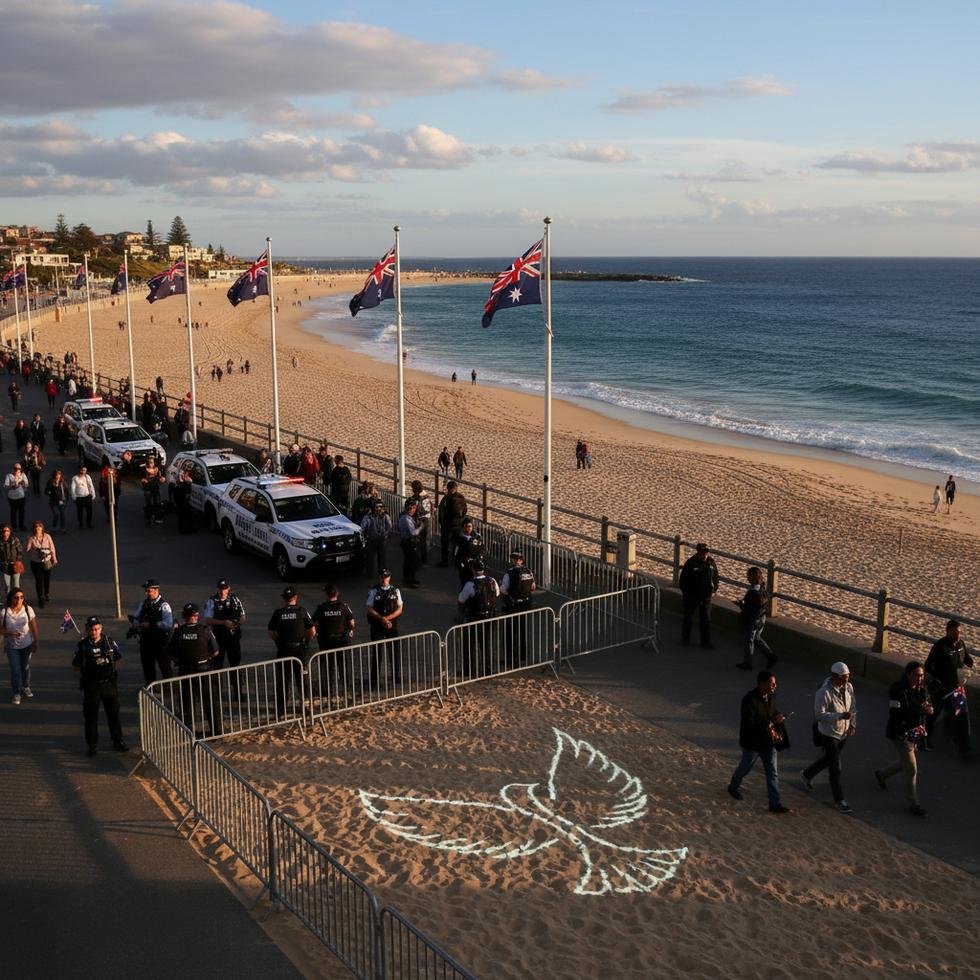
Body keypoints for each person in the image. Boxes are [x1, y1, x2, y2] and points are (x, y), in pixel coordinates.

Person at [726, 670, 790, 813]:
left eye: (775, 684)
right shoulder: (749, 700)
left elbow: (772, 711)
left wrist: (778, 716)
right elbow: (750, 723)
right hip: (752, 742)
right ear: (762, 684)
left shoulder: (771, 696)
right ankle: (733, 787)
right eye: (772, 684)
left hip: (768, 741)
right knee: (745, 767)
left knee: (772, 772)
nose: (774, 687)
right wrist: (772, 720)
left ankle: (775, 804)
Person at [874, 661, 933, 817]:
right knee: (912, 768)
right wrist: (901, 732)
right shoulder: (897, 689)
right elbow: (895, 713)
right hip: (901, 734)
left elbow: (927, 703)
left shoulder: (922, 689)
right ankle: (914, 803)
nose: (920, 679)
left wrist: (929, 709)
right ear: (908, 674)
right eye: (917, 675)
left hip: (915, 733)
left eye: (922, 675)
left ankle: (882, 774)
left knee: (905, 763)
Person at [801, 662, 857, 813]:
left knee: (830, 759)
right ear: (835, 677)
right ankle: (839, 800)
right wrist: (839, 716)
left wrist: (852, 724)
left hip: (843, 732)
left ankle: (807, 775)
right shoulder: (824, 692)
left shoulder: (849, 687)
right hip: (828, 733)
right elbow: (819, 714)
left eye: (848, 677)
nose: (847, 680)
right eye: (844, 678)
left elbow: (852, 707)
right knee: (835, 767)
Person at [73, 615, 128, 756]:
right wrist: (90, 665)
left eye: (97, 629)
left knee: (113, 714)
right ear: (87, 630)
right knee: (91, 717)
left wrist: (107, 661)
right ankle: (92, 745)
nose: (94, 632)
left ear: (101, 628)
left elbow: (118, 657)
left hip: (108, 683)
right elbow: (76, 666)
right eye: (92, 629)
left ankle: (118, 740)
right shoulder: (83, 645)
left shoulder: (108, 642)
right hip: (91, 685)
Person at [167, 603, 221, 737]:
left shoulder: (179, 632)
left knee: (187, 703)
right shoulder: (205, 630)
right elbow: (215, 651)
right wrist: (205, 657)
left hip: (185, 672)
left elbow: (170, 652)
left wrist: (180, 660)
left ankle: (190, 732)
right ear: (196, 616)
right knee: (209, 702)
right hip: (203, 670)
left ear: (184, 617)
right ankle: (215, 730)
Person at [924, 619, 974, 758]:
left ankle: (965, 749)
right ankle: (925, 737)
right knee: (935, 713)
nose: (957, 635)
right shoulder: (940, 647)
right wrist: (935, 682)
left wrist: (969, 662)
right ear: (947, 632)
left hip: (956, 687)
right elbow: (928, 667)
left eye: (959, 632)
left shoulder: (961, 644)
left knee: (962, 715)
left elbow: (965, 658)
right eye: (954, 632)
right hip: (941, 688)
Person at [267, 586, 315, 709]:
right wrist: (306, 641)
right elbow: (312, 631)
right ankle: (305, 705)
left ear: (284, 598)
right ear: (295, 597)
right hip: (299, 650)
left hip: (283, 650)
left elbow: (270, 632)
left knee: (283, 680)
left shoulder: (278, 613)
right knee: (302, 679)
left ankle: (281, 707)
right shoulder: (301, 611)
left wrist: (278, 641)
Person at [311, 584, 356, 698]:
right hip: (342, 641)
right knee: (343, 666)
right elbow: (351, 623)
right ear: (337, 594)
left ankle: (328, 692)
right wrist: (350, 630)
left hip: (326, 642)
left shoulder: (321, 608)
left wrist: (316, 632)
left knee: (327, 667)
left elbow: (313, 623)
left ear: (326, 594)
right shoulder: (344, 606)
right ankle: (346, 690)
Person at [457, 560, 500, 675]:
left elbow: (461, 599)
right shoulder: (492, 581)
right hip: (489, 616)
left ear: (473, 570)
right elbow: (497, 594)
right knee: (485, 643)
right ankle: (487, 668)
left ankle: (470, 670)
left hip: (474, 617)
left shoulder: (470, 584)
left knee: (469, 643)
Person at [131, 578, 174, 685]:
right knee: (147, 666)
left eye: (149, 590)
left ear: (156, 590)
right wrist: (136, 623)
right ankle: (151, 688)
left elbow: (168, 624)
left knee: (164, 666)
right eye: (146, 590)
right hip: (146, 641)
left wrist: (152, 624)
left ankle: (169, 687)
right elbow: (135, 617)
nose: (146, 593)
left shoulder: (164, 606)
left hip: (160, 641)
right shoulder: (144, 604)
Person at [365, 569, 403, 688]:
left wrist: (388, 618)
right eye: (382, 577)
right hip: (377, 625)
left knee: (394, 652)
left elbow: (400, 608)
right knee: (377, 652)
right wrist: (382, 619)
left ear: (389, 577)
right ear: (379, 578)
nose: (384, 579)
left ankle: (396, 678)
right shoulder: (373, 591)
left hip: (391, 625)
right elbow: (369, 609)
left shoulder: (395, 590)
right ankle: (374, 681)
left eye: (386, 577)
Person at [734, 566, 776, 670]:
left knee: (749, 640)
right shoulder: (762, 586)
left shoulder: (752, 591)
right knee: (756, 638)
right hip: (762, 617)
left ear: (751, 577)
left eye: (748, 576)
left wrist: (740, 604)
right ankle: (771, 656)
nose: (747, 577)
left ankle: (748, 663)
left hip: (753, 619)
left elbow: (749, 609)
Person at [3, 587, 39, 705]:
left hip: (27, 645)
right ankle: (16, 693)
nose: (19, 600)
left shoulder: (28, 610)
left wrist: (36, 641)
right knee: (15, 670)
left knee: (25, 667)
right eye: (16, 597)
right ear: (11, 598)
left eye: (22, 597)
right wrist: (9, 633)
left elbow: (34, 626)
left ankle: (26, 686)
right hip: (11, 646)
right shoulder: (4, 612)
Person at [679, 543, 719, 649]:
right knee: (688, 617)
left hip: (706, 597)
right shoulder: (691, 563)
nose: (705, 555)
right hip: (692, 596)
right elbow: (683, 581)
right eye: (702, 553)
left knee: (706, 619)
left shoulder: (711, 562)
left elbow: (715, 577)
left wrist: (714, 590)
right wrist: (687, 594)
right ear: (698, 552)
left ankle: (705, 641)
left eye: (706, 552)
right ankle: (685, 639)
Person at [202, 578, 246, 671]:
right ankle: (217, 685)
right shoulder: (212, 601)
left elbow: (243, 617)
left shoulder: (235, 599)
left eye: (224, 588)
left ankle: (236, 684)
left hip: (233, 637)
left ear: (228, 588)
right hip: (219, 637)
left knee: (235, 664)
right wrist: (224, 622)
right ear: (218, 589)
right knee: (217, 665)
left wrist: (235, 624)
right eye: (220, 588)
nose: (222, 591)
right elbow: (207, 620)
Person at [500, 550, 536, 666]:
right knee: (522, 630)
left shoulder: (509, 573)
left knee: (511, 633)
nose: (515, 561)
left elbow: (503, 590)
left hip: (514, 605)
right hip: (525, 604)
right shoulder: (528, 571)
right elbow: (533, 587)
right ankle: (523, 655)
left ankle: (513, 660)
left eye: (515, 559)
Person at [25, 520, 57, 608]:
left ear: (42, 529)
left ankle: (46, 593)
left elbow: (52, 548)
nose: (37, 529)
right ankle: (40, 598)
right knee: (39, 580)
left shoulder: (47, 536)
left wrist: (54, 558)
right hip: (36, 562)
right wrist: (31, 547)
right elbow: (27, 550)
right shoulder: (31, 538)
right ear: (34, 529)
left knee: (47, 579)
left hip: (47, 561)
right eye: (36, 528)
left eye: (39, 527)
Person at [437, 480, 467, 567]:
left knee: (445, 543)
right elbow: (465, 510)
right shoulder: (461, 497)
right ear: (456, 488)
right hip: (458, 525)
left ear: (448, 488)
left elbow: (442, 510)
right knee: (457, 544)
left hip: (448, 525)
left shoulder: (447, 498)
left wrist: (441, 521)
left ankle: (445, 561)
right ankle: (456, 561)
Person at [360, 500, 392, 578]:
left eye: (380, 507)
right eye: (376, 507)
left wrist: (386, 534)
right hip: (371, 540)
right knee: (370, 558)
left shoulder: (385, 516)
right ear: (373, 508)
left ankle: (382, 573)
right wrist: (364, 539)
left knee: (382, 557)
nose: (378, 509)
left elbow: (389, 526)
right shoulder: (368, 517)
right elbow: (362, 528)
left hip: (382, 540)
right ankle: (370, 574)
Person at [453, 517, 486, 587]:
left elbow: (482, 549)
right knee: (465, 585)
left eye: (470, 526)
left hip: (476, 567)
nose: (469, 528)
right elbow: (456, 553)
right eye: (466, 526)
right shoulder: (459, 539)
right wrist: (460, 564)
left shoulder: (477, 537)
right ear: (463, 527)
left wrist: (481, 559)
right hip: (465, 567)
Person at [406, 480, 432, 565]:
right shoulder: (422, 497)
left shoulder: (422, 498)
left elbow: (425, 511)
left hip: (422, 521)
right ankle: (421, 559)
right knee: (421, 541)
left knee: (422, 541)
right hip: (423, 520)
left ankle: (422, 560)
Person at [398, 500, 423, 588]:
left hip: (407, 542)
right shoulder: (406, 519)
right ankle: (409, 581)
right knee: (412, 562)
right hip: (408, 542)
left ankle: (410, 579)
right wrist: (420, 527)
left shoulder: (406, 517)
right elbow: (413, 533)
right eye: (413, 508)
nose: (414, 510)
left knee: (409, 561)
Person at [140, 456, 166, 527]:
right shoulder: (144, 469)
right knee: (149, 504)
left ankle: (157, 517)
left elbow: (163, 477)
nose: (150, 464)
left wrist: (163, 479)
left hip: (155, 488)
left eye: (151, 462)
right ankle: (149, 519)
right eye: (149, 462)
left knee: (157, 502)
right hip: (147, 489)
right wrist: (143, 480)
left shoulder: (158, 469)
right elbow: (141, 478)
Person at [1, 523, 23, 599]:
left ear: (10, 532)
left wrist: (18, 560)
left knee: (16, 585)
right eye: (4, 531)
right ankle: (9, 600)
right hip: (5, 566)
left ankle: (18, 600)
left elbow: (20, 551)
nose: (5, 533)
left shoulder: (15, 540)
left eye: (7, 531)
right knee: (7, 585)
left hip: (15, 565)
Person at [5, 463, 29, 531]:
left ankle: (21, 526)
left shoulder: (23, 475)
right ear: (13, 469)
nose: (17, 470)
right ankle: (14, 526)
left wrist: (21, 483)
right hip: (12, 498)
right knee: (13, 512)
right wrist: (12, 486)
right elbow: (6, 486)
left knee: (22, 512)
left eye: (19, 469)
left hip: (21, 497)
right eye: (15, 468)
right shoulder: (9, 476)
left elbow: (27, 484)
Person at [70, 464, 95, 529]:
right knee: (80, 512)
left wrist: (93, 494)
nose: (84, 471)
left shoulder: (87, 477)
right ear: (80, 470)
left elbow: (91, 486)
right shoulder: (75, 478)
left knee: (89, 511)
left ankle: (89, 523)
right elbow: (73, 488)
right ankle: (80, 523)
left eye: (85, 470)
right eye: (83, 470)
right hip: (79, 498)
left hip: (87, 496)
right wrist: (74, 497)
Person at [44, 468, 69, 533]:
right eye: (57, 474)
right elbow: (46, 491)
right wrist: (49, 493)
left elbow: (66, 491)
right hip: (53, 502)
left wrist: (66, 500)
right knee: (56, 514)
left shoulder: (62, 482)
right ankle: (54, 527)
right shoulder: (50, 482)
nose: (58, 476)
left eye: (59, 474)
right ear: (54, 475)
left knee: (62, 514)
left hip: (62, 501)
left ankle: (62, 528)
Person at [99, 458, 121, 523]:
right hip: (106, 492)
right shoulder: (104, 472)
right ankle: (110, 517)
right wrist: (102, 494)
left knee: (114, 505)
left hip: (114, 491)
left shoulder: (114, 471)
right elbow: (101, 484)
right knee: (108, 506)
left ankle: (114, 517)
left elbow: (118, 482)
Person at [173, 467, 195, 533]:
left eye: (187, 474)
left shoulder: (187, 482)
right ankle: (183, 530)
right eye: (185, 474)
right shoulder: (179, 484)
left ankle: (189, 529)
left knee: (188, 516)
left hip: (185, 502)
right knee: (182, 517)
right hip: (181, 502)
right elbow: (177, 494)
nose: (186, 476)